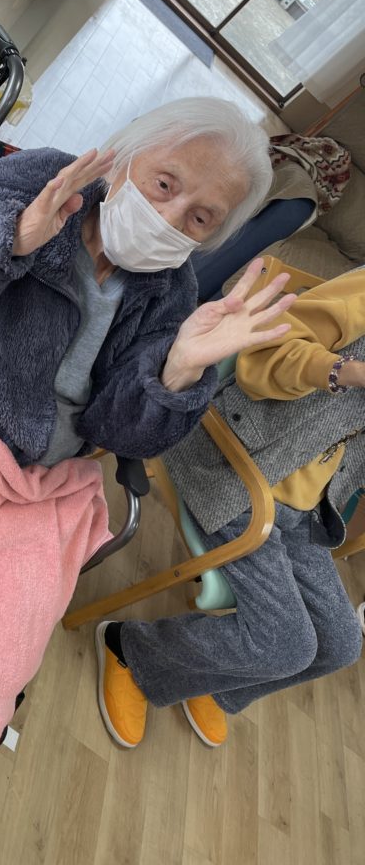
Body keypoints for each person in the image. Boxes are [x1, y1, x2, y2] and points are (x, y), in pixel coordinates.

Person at [0, 97, 295, 470]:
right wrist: (10, 236)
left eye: (200, 218)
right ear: (122, 158)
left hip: (38, 479)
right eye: (164, 184)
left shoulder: (172, 291)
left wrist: (177, 370)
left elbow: (116, 432)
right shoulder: (46, 180)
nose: (169, 217)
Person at [95, 265, 365, 750]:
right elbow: (265, 355)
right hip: (235, 467)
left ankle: (215, 683)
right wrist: (351, 373)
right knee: (288, 645)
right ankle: (130, 650)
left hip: (302, 511)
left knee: (342, 645)